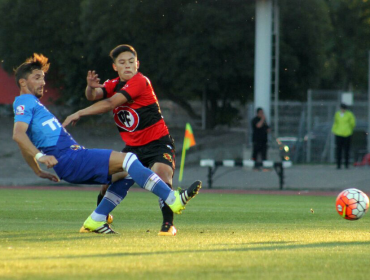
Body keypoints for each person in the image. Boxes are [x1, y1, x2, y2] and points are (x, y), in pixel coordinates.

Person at [12, 53, 201, 234]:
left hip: (72, 159)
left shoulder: (32, 104)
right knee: (129, 160)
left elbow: (23, 139)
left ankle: (97, 219)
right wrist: (40, 156)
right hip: (71, 158)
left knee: (126, 173)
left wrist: (37, 170)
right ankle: (172, 199)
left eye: (43, 77)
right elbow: (18, 135)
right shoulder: (25, 102)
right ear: (23, 82)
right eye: (37, 77)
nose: (43, 82)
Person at [62, 45, 181, 236]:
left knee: (162, 173)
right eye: (122, 62)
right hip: (134, 147)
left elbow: (109, 104)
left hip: (157, 142)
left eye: (131, 62)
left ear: (138, 63)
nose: (128, 66)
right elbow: (93, 96)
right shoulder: (112, 84)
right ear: (115, 67)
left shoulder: (140, 81)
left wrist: (79, 113)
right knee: (110, 179)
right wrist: (90, 87)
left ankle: (168, 225)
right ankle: (98, 218)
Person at [331, 103, 356, 169]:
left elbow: (352, 123)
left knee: (346, 150)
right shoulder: (337, 114)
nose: (343, 110)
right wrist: (334, 130)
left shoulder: (349, 114)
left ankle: (346, 165)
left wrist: (350, 129)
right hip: (339, 133)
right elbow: (335, 122)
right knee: (338, 150)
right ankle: (338, 165)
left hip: (347, 133)